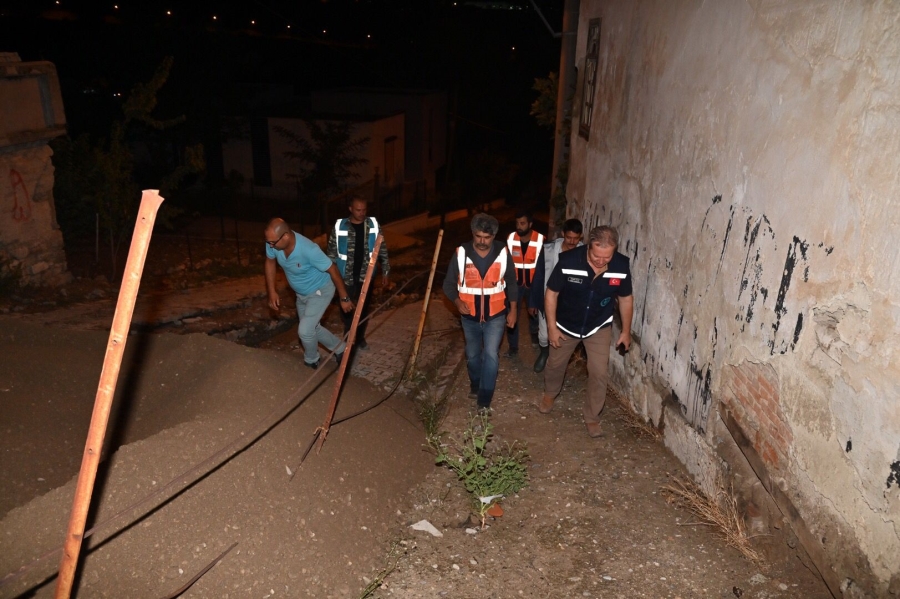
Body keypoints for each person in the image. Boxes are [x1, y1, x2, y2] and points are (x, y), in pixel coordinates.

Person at [539, 225, 633, 438]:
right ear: (589, 246)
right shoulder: (568, 260)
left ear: (614, 250)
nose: (601, 261)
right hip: (566, 325)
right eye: (596, 256)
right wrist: (552, 328)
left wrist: (626, 331)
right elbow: (551, 294)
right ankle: (550, 394)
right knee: (555, 365)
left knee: (599, 372)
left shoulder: (621, 265)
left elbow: (626, 299)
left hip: (598, 325)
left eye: (606, 257)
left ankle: (592, 417)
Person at [443, 213, 518, 411]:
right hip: (469, 317)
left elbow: (511, 282)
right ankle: (475, 384)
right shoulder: (460, 253)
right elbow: (448, 285)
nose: (483, 242)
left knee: (491, 354)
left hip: (496, 314)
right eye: (478, 237)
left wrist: (514, 310)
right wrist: (457, 302)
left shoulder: (503, 252)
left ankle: (484, 399)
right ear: (472, 234)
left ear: (494, 236)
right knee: (473, 355)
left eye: (487, 237)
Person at [264, 218, 355, 369]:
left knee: (305, 331)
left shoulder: (308, 249)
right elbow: (270, 261)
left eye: (273, 242)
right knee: (312, 328)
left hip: (321, 290)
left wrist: (344, 297)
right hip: (301, 294)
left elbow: (332, 269)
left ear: (285, 236)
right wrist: (272, 291)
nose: (270, 246)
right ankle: (342, 349)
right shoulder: (273, 242)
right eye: (268, 242)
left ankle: (311, 360)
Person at [326, 196, 390, 350]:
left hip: (366, 276)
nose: (361, 213)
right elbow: (331, 253)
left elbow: (382, 249)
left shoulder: (373, 224)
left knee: (363, 309)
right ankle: (349, 341)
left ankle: (359, 338)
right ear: (350, 209)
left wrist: (386, 271)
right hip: (344, 276)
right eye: (358, 210)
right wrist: (329, 275)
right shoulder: (340, 226)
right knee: (347, 310)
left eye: (364, 210)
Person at [529, 218, 584, 373]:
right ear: (562, 234)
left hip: (571, 303)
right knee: (544, 335)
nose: (572, 242)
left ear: (581, 236)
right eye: (569, 237)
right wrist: (533, 301)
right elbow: (539, 276)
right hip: (549, 298)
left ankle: (557, 362)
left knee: (564, 334)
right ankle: (544, 352)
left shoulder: (585, 252)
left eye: (576, 238)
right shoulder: (548, 250)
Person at [504, 209, 544, 357]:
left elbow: (542, 266)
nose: (519, 226)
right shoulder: (510, 238)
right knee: (511, 315)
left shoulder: (540, 240)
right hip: (515, 284)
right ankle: (513, 348)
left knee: (534, 314)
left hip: (533, 285)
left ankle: (535, 334)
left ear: (530, 224)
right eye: (517, 223)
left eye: (522, 223)